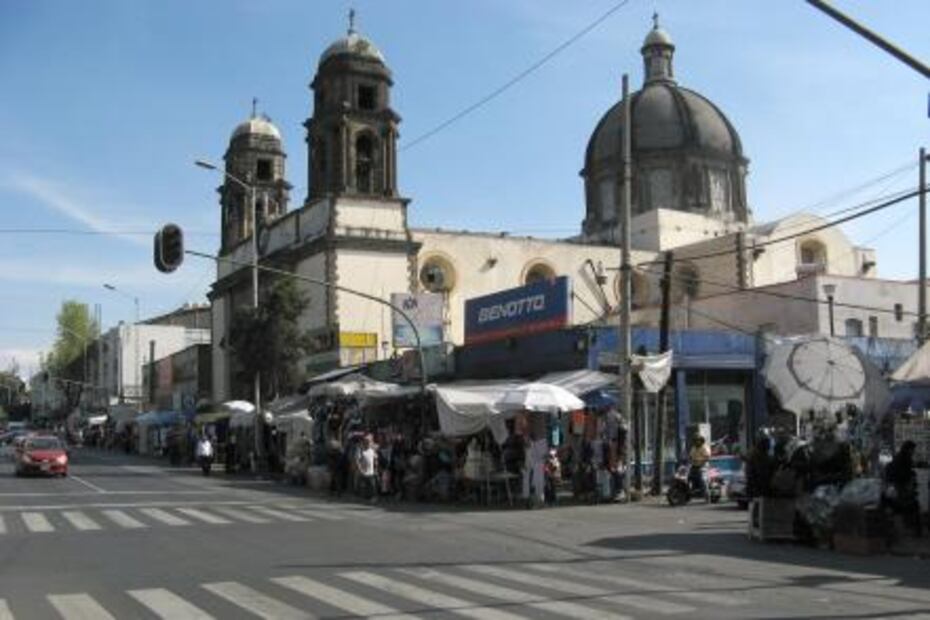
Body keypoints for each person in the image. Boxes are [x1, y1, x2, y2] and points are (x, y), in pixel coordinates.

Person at [885, 440, 921, 537]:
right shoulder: (905, 460)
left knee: (909, 506)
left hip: (896, 491)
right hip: (900, 491)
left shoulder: (898, 458)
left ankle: (909, 528)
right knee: (914, 506)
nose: (913, 452)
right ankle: (915, 531)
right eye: (913, 450)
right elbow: (905, 477)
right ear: (909, 449)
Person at [356, 434, 378, 501]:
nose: (368, 443)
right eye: (366, 441)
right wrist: (360, 469)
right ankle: (365, 497)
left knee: (372, 485)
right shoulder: (361, 450)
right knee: (364, 486)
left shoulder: (372, 450)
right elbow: (357, 460)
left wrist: (376, 467)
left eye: (369, 442)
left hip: (371, 472)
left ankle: (372, 497)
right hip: (363, 472)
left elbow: (375, 459)